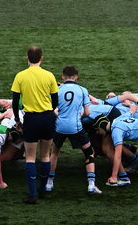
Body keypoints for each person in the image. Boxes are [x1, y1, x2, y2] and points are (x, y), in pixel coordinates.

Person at [10, 45, 58, 204]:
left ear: (27, 58)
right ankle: (43, 189)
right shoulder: (49, 75)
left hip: (31, 119)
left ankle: (32, 195)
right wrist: (50, 112)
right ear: (41, 58)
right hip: (47, 118)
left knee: (30, 157)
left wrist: (17, 120)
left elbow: (15, 102)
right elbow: (55, 100)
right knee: (45, 155)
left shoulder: (20, 76)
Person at [47, 67, 101, 195]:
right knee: (89, 152)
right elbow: (87, 112)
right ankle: (91, 184)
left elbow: (51, 110)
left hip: (59, 126)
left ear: (62, 77)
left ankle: (49, 183)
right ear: (76, 77)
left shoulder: (57, 90)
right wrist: (78, 116)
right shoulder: (82, 90)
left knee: (54, 152)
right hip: (75, 127)